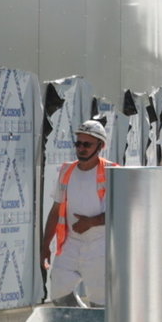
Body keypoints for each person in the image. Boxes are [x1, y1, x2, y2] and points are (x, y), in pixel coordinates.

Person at [42, 114, 113, 307]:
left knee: (101, 301)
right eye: (79, 143)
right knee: (59, 293)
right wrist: (45, 245)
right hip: (71, 243)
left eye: (87, 145)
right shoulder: (67, 171)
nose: (81, 148)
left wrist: (90, 222)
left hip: (99, 246)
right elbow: (56, 210)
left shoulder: (112, 173)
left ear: (100, 147)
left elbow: (122, 212)